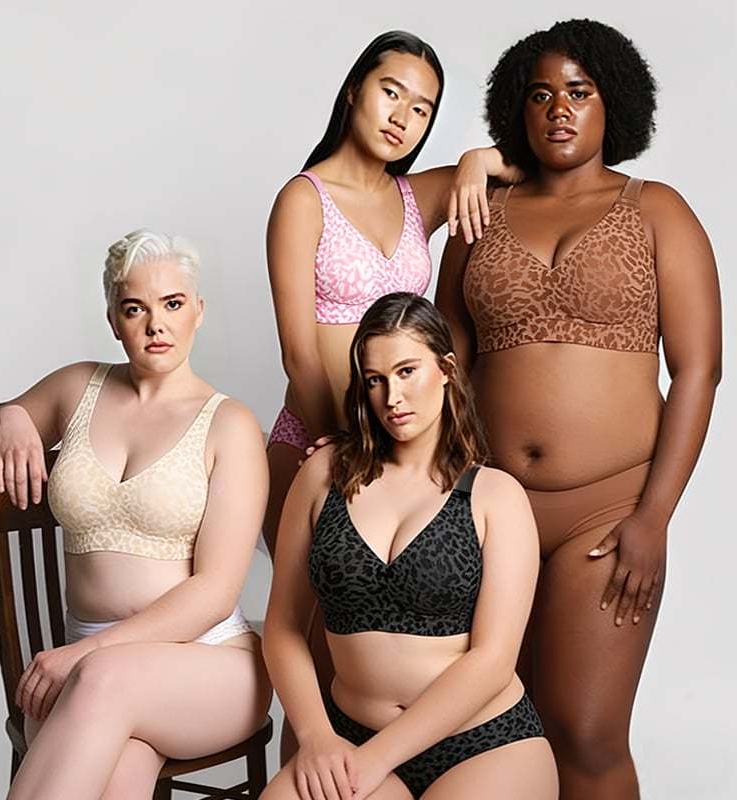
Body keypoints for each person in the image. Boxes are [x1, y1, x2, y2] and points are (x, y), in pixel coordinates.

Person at [435, 19, 721, 800]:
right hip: (491, 506)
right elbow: (445, 360)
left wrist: (654, 517)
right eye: (540, 95)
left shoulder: (657, 210)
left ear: (611, 103)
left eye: (578, 91)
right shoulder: (482, 210)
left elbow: (699, 372)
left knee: (586, 731)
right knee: (500, 727)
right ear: (516, 111)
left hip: (609, 507)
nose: (558, 109)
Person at [265, 31, 519, 760]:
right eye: (390, 92)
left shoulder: (419, 195)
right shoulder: (304, 198)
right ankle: (307, 775)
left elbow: (526, 159)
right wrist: (348, 449)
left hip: (397, 446)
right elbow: (297, 351)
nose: (404, 117)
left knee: (381, 650)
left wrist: (473, 160)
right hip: (318, 442)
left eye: (423, 108)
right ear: (354, 91)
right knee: (321, 654)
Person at [0, 229, 272, 799]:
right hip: (84, 676)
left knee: (101, 681)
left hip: (209, 662)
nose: (156, 324)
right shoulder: (76, 388)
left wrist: (83, 656)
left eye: (173, 304)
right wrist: (6, 415)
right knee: (120, 766)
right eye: (136, 308)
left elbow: (214, 592)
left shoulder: (229, 425)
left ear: (199, 311)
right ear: (113, 319)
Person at [261, 293, 558, 800]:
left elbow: (492, 660)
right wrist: (316, 738)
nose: (392, 397)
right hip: (348, 738)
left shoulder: (495, 496)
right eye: (375, 379)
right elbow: (284, 628)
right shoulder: (323, 475)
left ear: (446, 369)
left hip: (481, 744)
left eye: (406, 372)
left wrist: (374, 761)